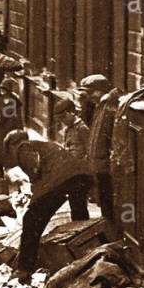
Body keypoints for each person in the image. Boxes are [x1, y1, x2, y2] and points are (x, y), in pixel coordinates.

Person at [1, 129, 94, 285]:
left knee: (31, 219)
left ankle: (24, 269)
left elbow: (36, 169)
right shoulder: (43, 145)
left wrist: (34, 199)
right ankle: (85, 258)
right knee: (79, 219)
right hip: (81, 176)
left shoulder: (22, 148)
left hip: (62, 179)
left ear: (12, 145)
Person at [81, 74, 122, 226]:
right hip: (100, 164)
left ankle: (111, 231)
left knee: (108, 203)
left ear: (100, 90)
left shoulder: (109, 106)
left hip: (105, 165)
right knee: (104, 202)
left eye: (91, 92)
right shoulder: (101, 105)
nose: (89, 96)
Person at [54, 93, 92, 222]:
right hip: (71, 172)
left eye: (63, 117)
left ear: (72, 112)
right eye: (60, 118)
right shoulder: (68, 129)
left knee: (79, 204)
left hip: (80, 173)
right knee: (74, 204)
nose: (62, 121)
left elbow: (90, 151)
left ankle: (82, 227)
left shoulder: (82, 128)